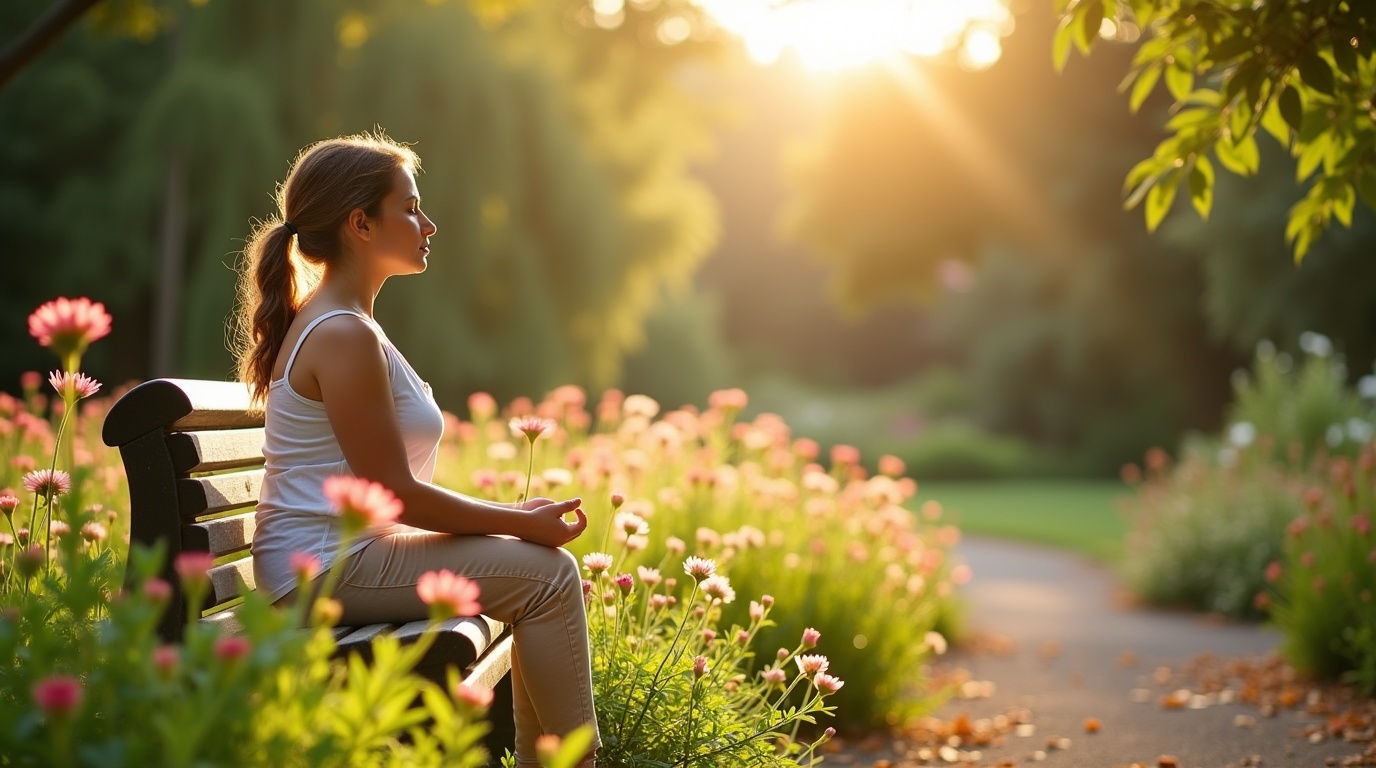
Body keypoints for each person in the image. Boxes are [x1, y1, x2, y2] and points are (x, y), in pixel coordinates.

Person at [231, 131, 599, 767]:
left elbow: (387, 493)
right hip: (323, 569)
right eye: (410, 208)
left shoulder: (348, 324)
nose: (428, 225)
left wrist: (513, 522)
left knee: (541, 573)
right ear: (360, 224)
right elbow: (394, 493)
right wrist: (518, 524)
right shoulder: (343, 334)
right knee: (547, 577)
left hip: (344, 555)